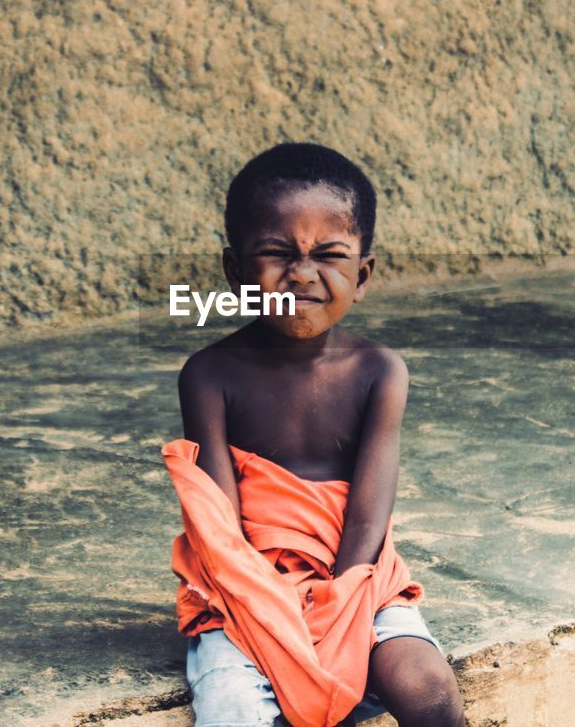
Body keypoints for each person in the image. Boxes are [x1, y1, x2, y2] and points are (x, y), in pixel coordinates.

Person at [169, 143, 466, 726]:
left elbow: (368, 516)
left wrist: (337, 608)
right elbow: (220, 527)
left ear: (363, 275)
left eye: (329, 254)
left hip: (357, 576)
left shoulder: (380, 372)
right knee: (231, 711)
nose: (302, 273)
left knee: (427, 689)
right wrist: (274, 610)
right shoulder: (210, 375)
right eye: (278, 253)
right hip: (246, 589)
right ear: (235, 271)